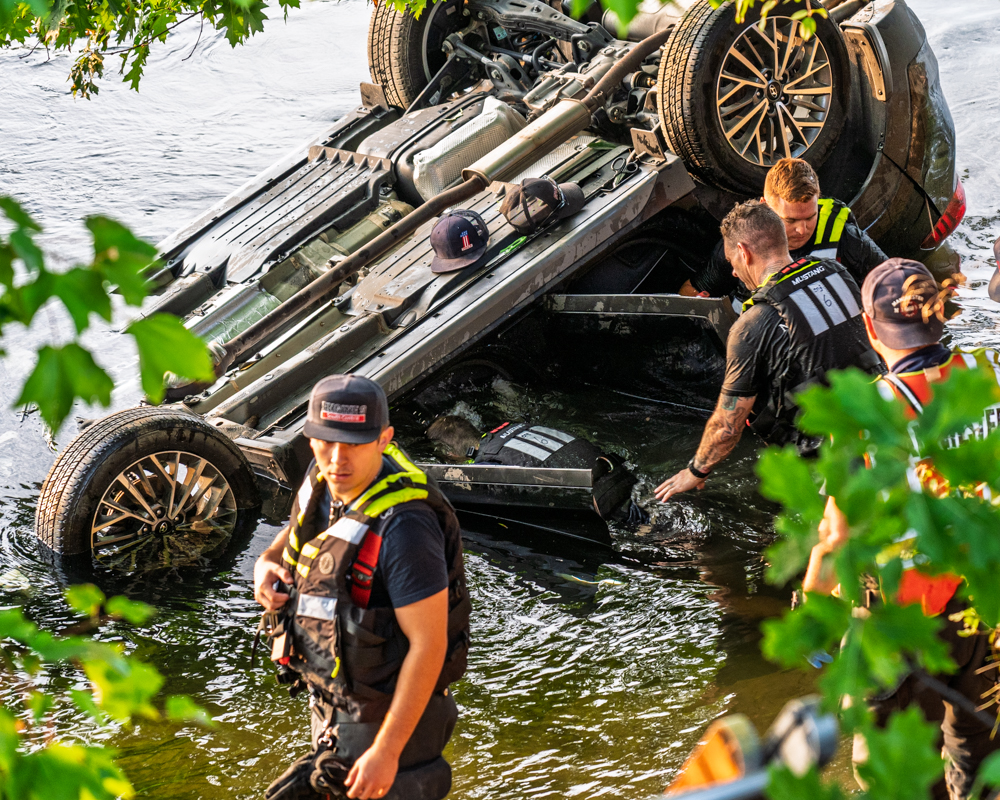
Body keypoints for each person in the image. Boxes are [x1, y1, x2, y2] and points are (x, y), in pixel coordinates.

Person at [802, 258, 1000, 800]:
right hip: (982, 604)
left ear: (869, 326)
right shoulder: (986, 377)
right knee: (979, 753)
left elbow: (837, 535)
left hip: (904, 618)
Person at [254, 375, 470, 800]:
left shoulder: (406, 529)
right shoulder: (323, 476)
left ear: (384, 439)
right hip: (337, 707)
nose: (338, 458)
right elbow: (297, 533)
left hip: (394, 725)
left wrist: (387, 752)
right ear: (310, 437)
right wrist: (267, 562)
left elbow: (430, 645)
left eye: (354, 444)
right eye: (327, 442)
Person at [655, 200, 879, 502]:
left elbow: (727, 426)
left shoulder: (751, 326)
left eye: (731, 261)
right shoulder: (836, 271)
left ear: (744, 253)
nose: (733, 272)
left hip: (837, 462)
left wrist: (696, 471)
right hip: (886, 418)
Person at [679, 158, 887, 300]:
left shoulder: (844, 236)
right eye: (790, 220)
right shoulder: (740, 243)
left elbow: (895, 279)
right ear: (765, 208)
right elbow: (689, 291)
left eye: (810, 217)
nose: (802, 230)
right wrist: (700, 303)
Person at [426, 415, 646, 523]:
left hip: (603, 503)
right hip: (622, 474)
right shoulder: (518, 427)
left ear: (450, 454)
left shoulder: (485, 466)